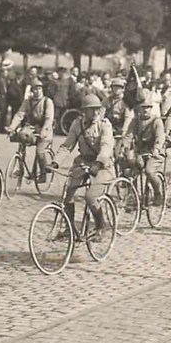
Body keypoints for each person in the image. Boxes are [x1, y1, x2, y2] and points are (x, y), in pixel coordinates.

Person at [55, 94, 115, 241]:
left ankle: (101, 226)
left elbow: (106, 146)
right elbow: (67, 146)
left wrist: (98, 163)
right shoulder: (77, 124)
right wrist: (55, 162)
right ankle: (69, 228)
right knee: (67, 193)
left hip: (102, 166)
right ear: (84, 111)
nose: (95, 113)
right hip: (83, 162)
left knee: (91, 197)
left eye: (97, 110)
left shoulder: (104, 125)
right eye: (91, 110)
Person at [121, 93, 166, 204]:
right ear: (139, 109)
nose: (145, 110)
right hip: (141, 152)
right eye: (143, 108)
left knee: (149, 171)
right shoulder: (135, 121)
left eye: (147, 107)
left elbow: (160, 137)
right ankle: (133, 194)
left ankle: (157, 193)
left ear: (151, 109)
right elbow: (128, 135)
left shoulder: (156, 121)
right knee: (129, 166)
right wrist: (124, 147)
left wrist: (156, 149)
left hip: (155, 153)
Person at [8, 80, 55, 184]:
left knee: (39, 151)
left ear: (42, 90)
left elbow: (48, 119)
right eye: (35, 89)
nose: (37, 91)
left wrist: (43, 131)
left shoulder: (47, 102)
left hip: (44, 130)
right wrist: (11, 128)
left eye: (39, 88)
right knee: (21, 141)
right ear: (31, 91)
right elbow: (20, 115)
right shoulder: (27, 102)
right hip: (31, 129)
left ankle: (43, 174)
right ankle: (20, 168)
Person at [102, 77, 134, 161]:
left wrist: (124, 130)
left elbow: (128, 117)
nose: (116, 89)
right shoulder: (106, 100)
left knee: (124, 151)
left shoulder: (126, 101)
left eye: (119, 87)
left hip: (122, 127)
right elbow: (101, 113)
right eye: (114, 87)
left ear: (123, 89)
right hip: (110, 126)